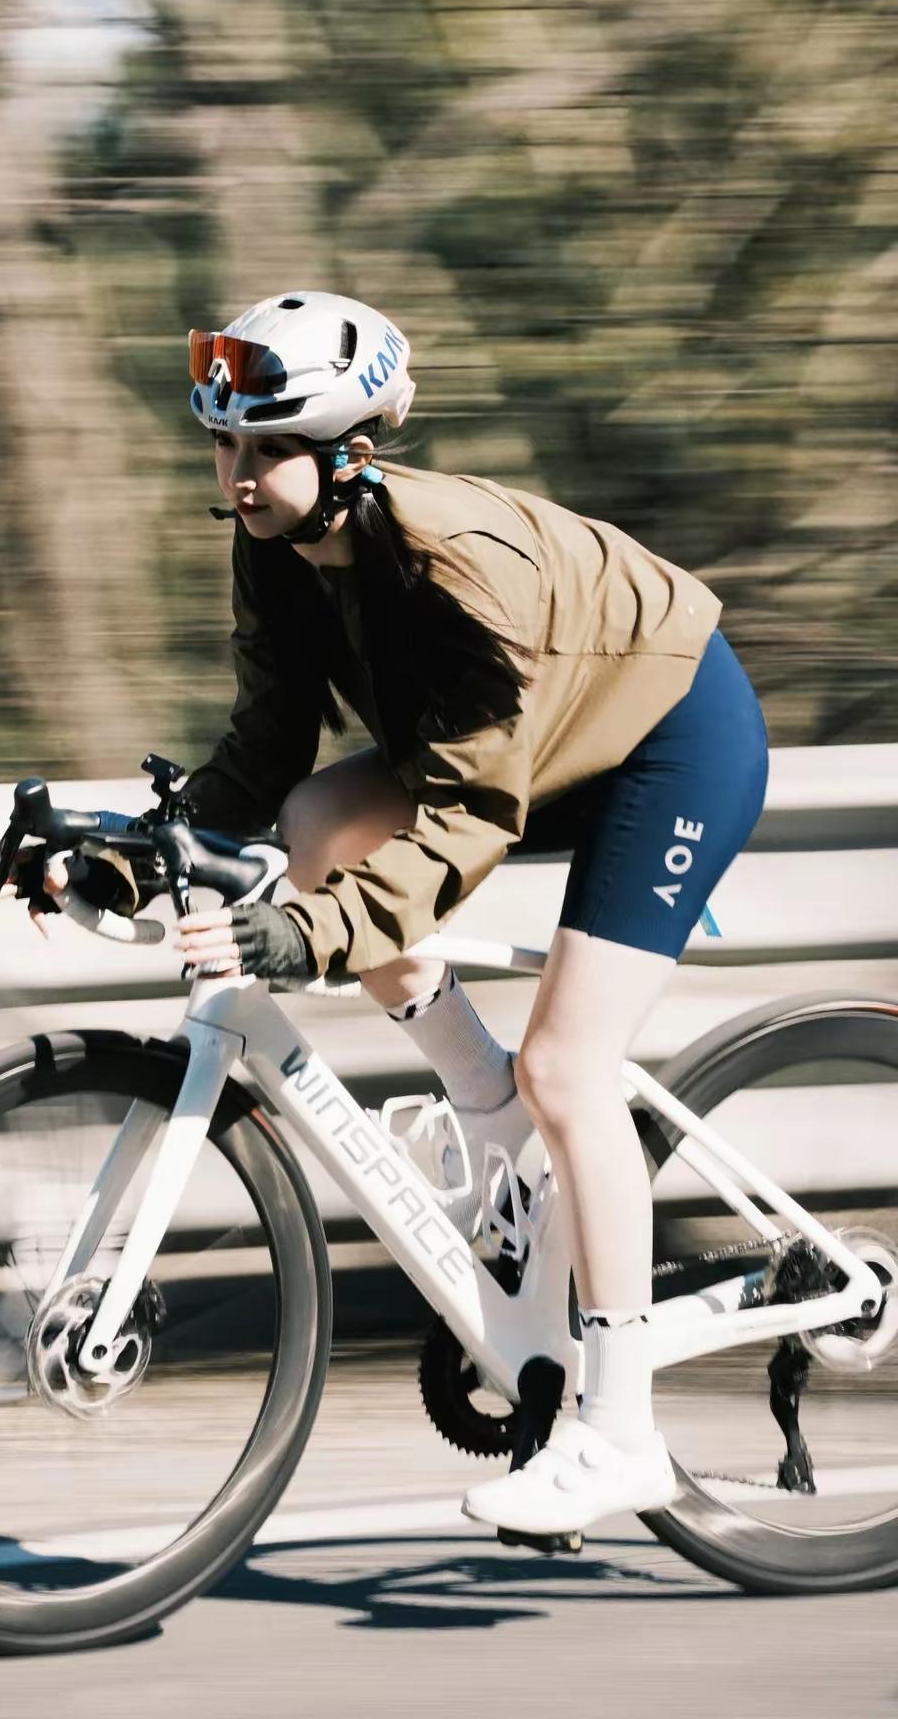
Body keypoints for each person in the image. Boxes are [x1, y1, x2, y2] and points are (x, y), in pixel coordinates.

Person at [56, 289, 769, 1539]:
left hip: (668, 741)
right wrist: (121, 859)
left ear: (351, 459)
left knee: (569, 1066)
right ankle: (479, 1104)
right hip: (528, 749)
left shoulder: (456, 566)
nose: (236, 476)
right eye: (223, 445)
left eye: (266, 449)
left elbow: (464, 823)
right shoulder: (274, 547)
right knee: (316, 819)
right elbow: (263, 753)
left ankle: (622, 1436)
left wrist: (301, 936)